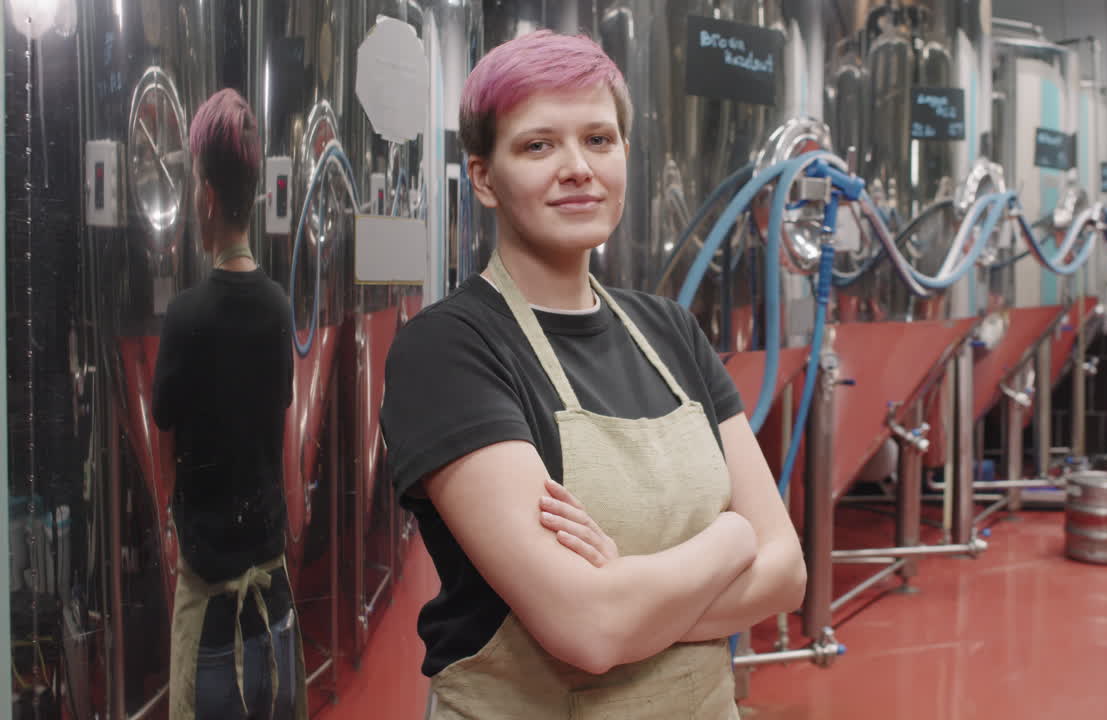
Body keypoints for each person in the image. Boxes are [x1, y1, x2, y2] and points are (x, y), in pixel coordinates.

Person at [380, 31, 805, 718]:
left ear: (625, 155)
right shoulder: (448, 350)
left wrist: (630, 598)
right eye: (538, 146)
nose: (577, 168)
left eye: (599, 140)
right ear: (483, 178)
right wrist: (731, 539)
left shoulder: (672, 332)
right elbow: (587, 629)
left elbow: (786, 573)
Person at [153, 88, 306, 720]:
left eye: (194, 181)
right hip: (273, 596)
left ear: (209, 197)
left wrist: (170, 527)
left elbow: (165, 445)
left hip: (211, 606)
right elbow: (282, 439)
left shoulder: (185, 316)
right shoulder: (277, 308)